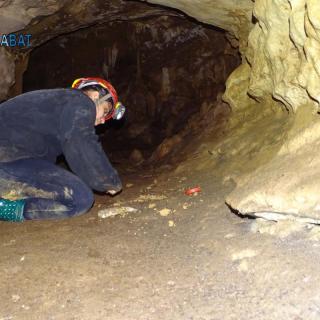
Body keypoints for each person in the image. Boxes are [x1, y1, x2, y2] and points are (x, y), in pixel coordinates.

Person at [0, 77, 126, 222]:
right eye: (105, 111)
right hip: (8, 158)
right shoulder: (80, 101)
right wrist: (108, 180)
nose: (103, 120)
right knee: (79, 198)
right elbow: (80, 142)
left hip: (14, 159)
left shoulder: (57, 106)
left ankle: (7, 206)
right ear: (95, 96)